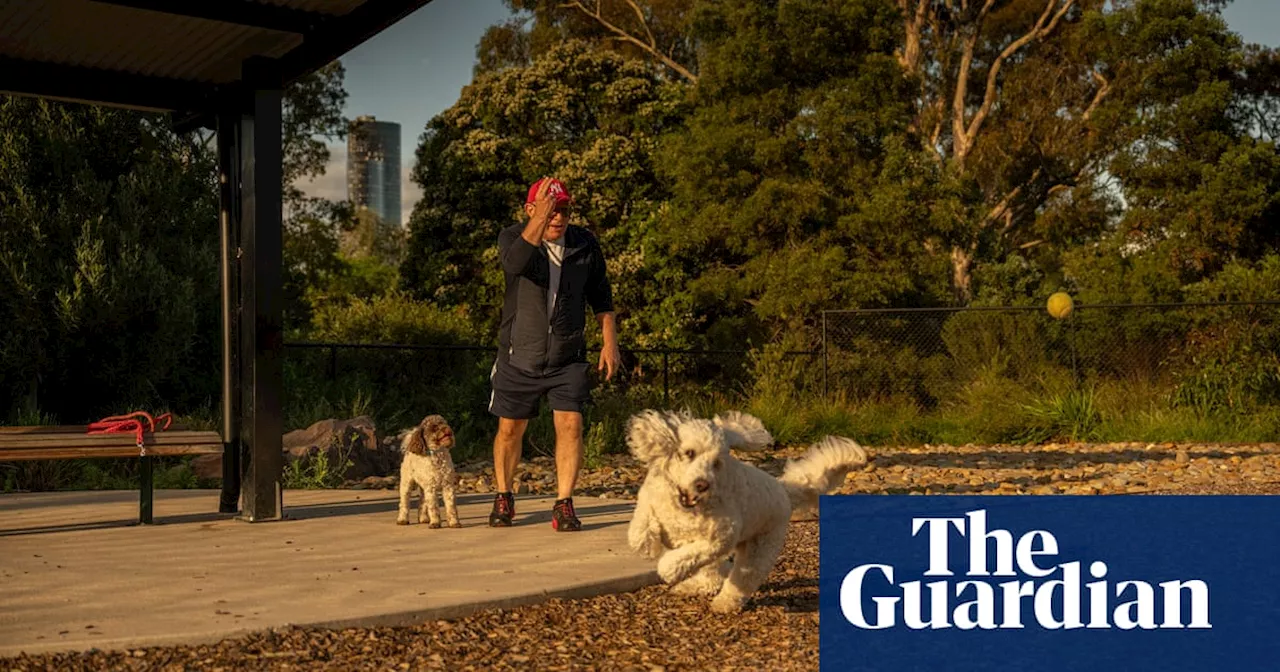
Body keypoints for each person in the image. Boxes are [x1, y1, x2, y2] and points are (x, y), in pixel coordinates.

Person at [487, 176, 622, 531]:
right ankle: (503, 496)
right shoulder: (514, 237)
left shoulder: (585, 244)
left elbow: (601, 295)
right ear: (531, 210)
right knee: (510, 428)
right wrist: (538, 219)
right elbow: (514, 265)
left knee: (571, 425)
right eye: (550, 210)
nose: (558, 217)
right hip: (520, 354)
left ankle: (563, 503)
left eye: (563, 210)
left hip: (568, 355)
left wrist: (609, 341)